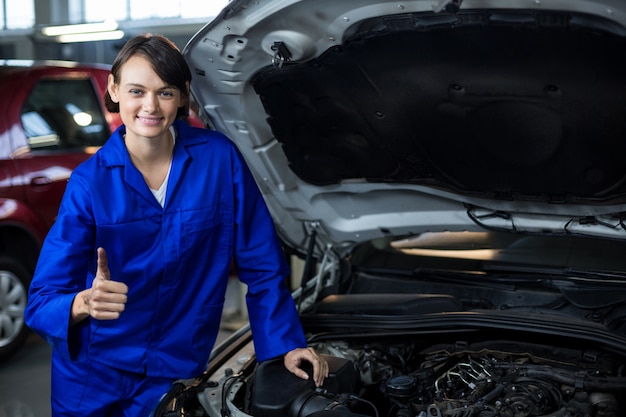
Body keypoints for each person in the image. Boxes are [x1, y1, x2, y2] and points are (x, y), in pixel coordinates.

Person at [24, 33, 328, 417]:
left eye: (165, 92)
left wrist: (285, 344)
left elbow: (262, 262)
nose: (150, 106)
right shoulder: (90, 182)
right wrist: (84, 301)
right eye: (137, 91)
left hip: (175, 370)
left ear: (183, 95)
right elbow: (42, 298)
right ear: (114, 90)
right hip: (92, 374)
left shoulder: (220, 161)